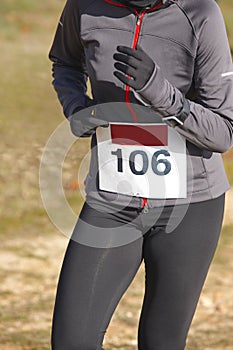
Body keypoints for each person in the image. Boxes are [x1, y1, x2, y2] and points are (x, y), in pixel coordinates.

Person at [48, 0, 233, 349]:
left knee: (161, 342)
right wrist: (77, 107)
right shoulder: (84, 6)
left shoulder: (200, 14)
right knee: (72, 341)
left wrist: (159, 90)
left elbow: (223, 132)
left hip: (191, 205)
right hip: (113, 198)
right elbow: (65, 61)